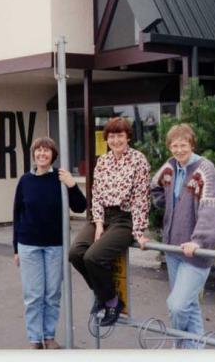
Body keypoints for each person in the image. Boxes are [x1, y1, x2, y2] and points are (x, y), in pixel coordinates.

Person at [143, 123, 215, 349]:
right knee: (190, 306)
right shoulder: (170, 166)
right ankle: (195, 351)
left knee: (177, 305)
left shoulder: (204, 169)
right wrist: (169, 208)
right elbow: (154, 187)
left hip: (195, 252)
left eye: (183, 145)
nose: (178, 150)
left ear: (192, 144)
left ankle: (181, 347)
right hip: (173, 250)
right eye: (174, 146)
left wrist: (199, 241)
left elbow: (209, 208)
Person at [69, 117, 150, 327]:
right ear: (106, 139)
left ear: (128, 137)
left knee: (93, 257)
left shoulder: (138, 159)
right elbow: (96, 195)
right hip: (102, 217)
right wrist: (97, 224)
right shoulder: (103, 161)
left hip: (124, 219)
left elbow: (142, 196)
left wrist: (139, 231)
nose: (116, 140)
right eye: (112, 136)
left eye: (120, 135)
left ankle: (113, 301)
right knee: (76, 253)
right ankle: (102, 294)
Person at [13, 136, 87, 350]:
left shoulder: (60, 179)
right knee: (33, 295)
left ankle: (49, 336)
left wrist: (72, 185)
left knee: (52, 293)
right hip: (28, 245)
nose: (42, 154)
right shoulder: (25, 181)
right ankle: (35, 339)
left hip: (55, 245)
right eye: (38, 150)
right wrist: (15, 248)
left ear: (53, 155)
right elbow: (17, 214)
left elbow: (81, 207)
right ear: (34, 154)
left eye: (46, 151)